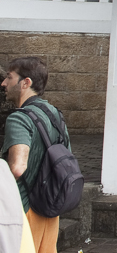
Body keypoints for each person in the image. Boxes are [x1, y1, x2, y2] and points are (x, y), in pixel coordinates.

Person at [1, 57, 67, 253]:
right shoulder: (56, 115)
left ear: (25, 82)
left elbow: (17, 168)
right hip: (50, 210)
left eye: (9, 77)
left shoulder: (18, 118)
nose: (3, 83)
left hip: (23, 211)